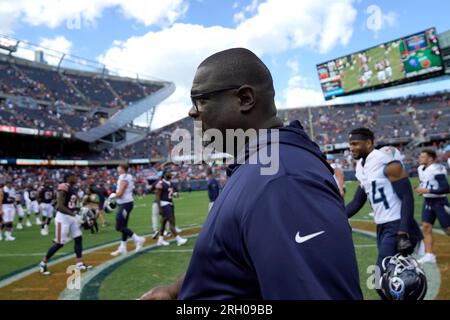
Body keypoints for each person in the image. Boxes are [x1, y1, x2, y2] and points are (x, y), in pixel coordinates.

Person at [141, 48, 362, 300]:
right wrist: (174, 292)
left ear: (245, 98)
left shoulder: (282, 180)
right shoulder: (262, 167)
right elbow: (232, 258)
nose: (192, 112)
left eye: (200, 99)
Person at [344, 128, 423, 298]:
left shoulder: (385, 160)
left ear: (369, 143)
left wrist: (403, 232)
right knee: (391, 280)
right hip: (382, 227)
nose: (352, 147)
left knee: (381, 280)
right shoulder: (361, 166)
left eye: (355, 143)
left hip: (397, 225)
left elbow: (407, 197)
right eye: (350, 144)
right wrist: (334, 217)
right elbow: (357, 201)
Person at [39, 172, 92, 275]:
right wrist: (74, 215)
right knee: (59, 243)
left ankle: (79, 263)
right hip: (62, 219)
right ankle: (43, 263)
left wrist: (80, 210)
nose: (76, 178)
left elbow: (70, 205)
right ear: (68, 178)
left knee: (78, 238)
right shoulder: (63, 186)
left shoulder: (72, 188)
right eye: (74, 176)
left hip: (71, 217)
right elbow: (60, 206)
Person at [415, 149, 450, 264]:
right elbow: (425, 182)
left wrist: (427, 190)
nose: (420, 158)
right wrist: (421, 190)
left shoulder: (437, 169)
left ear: (430, 158)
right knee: (426, 227)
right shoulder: (420, 169)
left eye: (423, 156)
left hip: (440, 202)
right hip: (428, 201)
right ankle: (429, 254)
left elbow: (446, 188)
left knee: (448, 230)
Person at [110, 163, 146, 256]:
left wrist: (113, 196)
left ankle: (138, 239)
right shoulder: (128, 176)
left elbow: (120, 193)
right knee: (124, 225)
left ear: (122, 168)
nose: (117, 168)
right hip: (125, 203)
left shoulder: (124, 177)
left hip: (125, 204)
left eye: (118, 166)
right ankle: (123, 247)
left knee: (119, 226)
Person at [154, 171, 188, 246]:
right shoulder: (160, 183)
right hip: (164, 204)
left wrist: (175, 194)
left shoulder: (171, 183)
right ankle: (178, 239)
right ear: (164, 175)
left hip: (170, 203)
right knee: (171, 221)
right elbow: (158, 197)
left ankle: (160, 239)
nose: (170, 174)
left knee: (163, 223)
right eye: (168, 173)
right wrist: (159, 208)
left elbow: (175, 194)